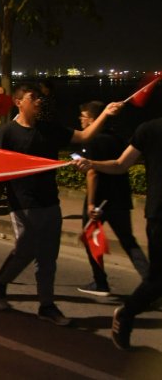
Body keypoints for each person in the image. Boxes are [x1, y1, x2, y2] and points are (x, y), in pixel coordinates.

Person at [0, 84, 121, 326]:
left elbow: (84, 136)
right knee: (26, 249)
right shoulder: (8, 132)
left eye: (39, 98)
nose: (38, 101)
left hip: (50, 200)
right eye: (33, 97)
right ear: (19, 102)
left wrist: (105, 114)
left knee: (48, 256)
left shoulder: (49, 129)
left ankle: (46, 305)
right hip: (23, 202)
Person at [76, 116, 162, 350]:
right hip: (159, 215)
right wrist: (92, 164)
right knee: (157, 281)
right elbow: (121, 164)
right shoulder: (150, 129)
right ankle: (126, 313)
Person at [75, 101, 148, 296]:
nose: (81, 120)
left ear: (93, 119)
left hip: (99, 198)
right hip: (121, 196)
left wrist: (91, 202)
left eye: (83, 116)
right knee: (128, 241)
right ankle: (151, 282)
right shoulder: (118, 138)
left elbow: (92, 173)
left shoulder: (92, 140)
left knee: (90, 238)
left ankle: (100, 283)